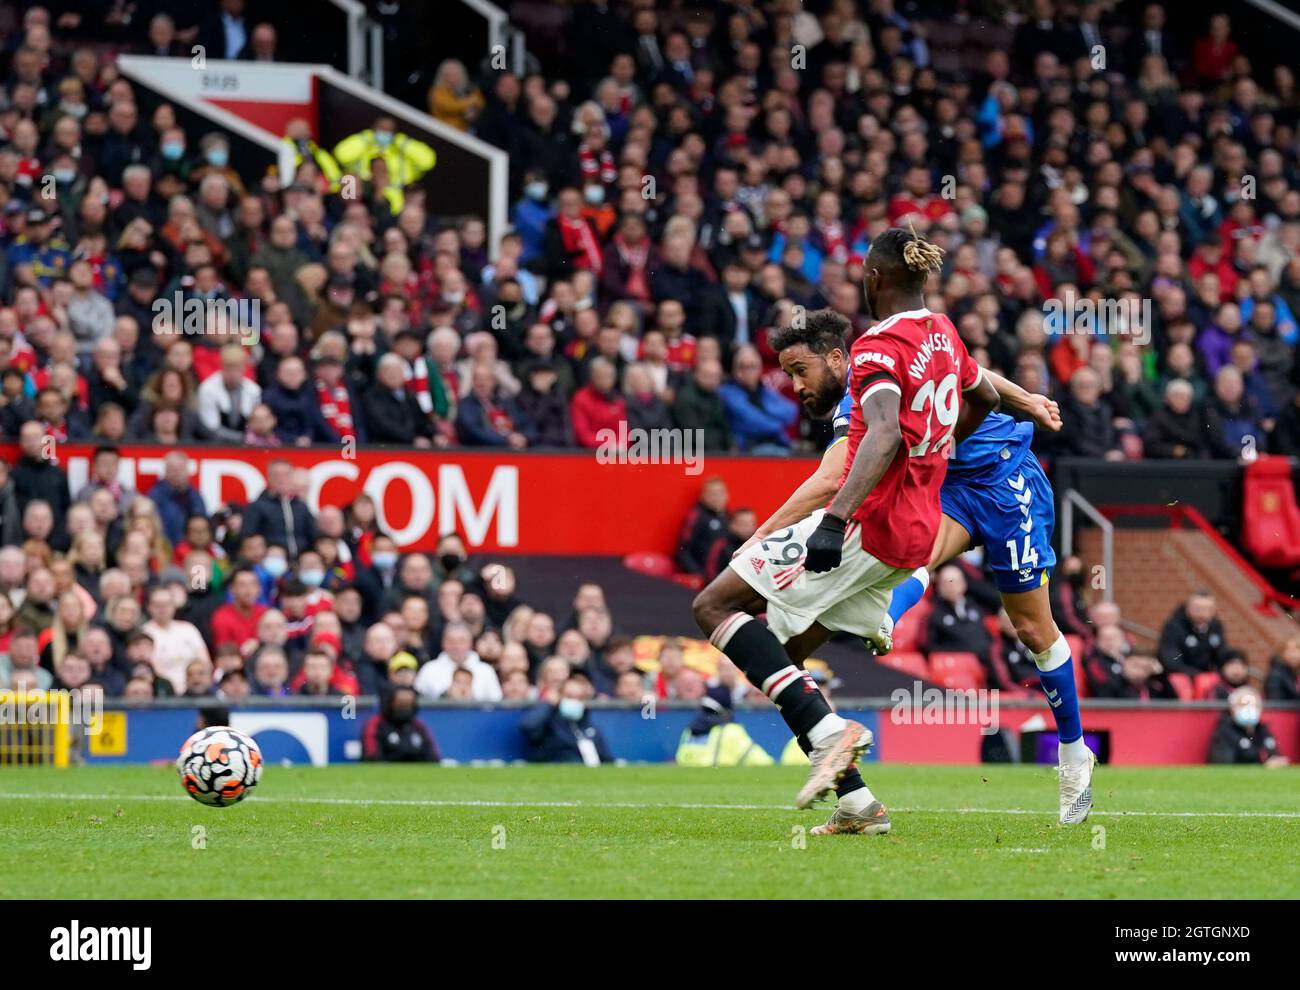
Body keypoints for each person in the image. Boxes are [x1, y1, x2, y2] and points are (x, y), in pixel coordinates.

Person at [691, 226, 999, 813]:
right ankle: (857, 803)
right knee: (779, 655)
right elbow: (980, 399)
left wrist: (833, 522)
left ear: (874, 278)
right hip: (916, 530)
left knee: (714, 605)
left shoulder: (878, 349)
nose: (796, 384)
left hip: (870, 524)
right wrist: (934, 456)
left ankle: (834, 736)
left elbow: (876, 437)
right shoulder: (943, 333)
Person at [520, 675, 612, 764]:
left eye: (579, 698)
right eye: (569, 696)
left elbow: (606, 759)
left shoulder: (589, 727)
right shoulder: (548, 722)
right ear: (559, 696)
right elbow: (529, 727)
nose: (574, 701)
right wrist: (548, 704)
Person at [1208, 687, 1288, 766]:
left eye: (1254, 705)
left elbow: (1274, 754)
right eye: (1244, 705)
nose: (1249, 709)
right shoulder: (1225, 731)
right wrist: (1262, 764)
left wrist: (1277, 761)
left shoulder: (1262, 729)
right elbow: (1224, 763)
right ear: (1232, 708)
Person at [361, 686, 440, 762]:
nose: (405, 708)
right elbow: (371, 757)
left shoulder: (418, 726)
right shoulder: (375, 724)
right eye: (401, 703)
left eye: (408, 704)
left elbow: (433, 757)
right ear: (391, 703)